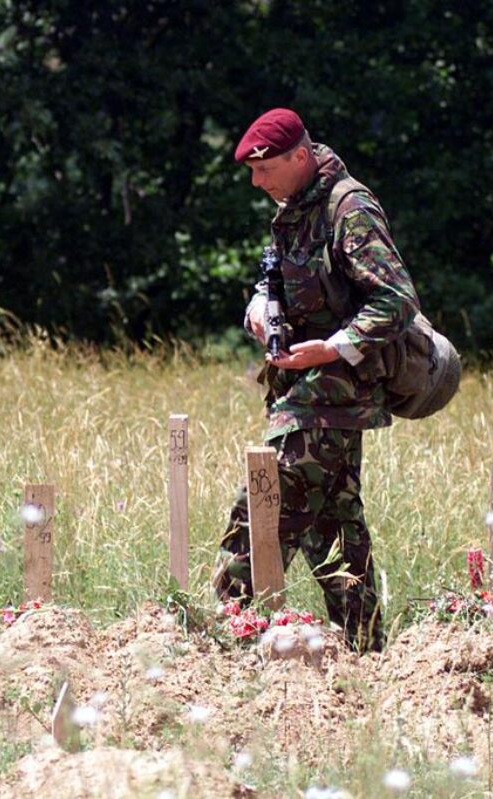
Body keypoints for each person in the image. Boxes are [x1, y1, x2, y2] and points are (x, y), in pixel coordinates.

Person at [211, 108, 421, 653]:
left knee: (261, 505)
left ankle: (215, 644)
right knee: (336, 530)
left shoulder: (349, 207)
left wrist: (332, 347)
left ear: (299, 157)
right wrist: (261, 303)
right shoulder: (292, 208)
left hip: (333, 395)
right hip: (302, 394)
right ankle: (367, 653)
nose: (257, 182)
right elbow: (273, 272)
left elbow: (396, 300)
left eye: (264, 170)